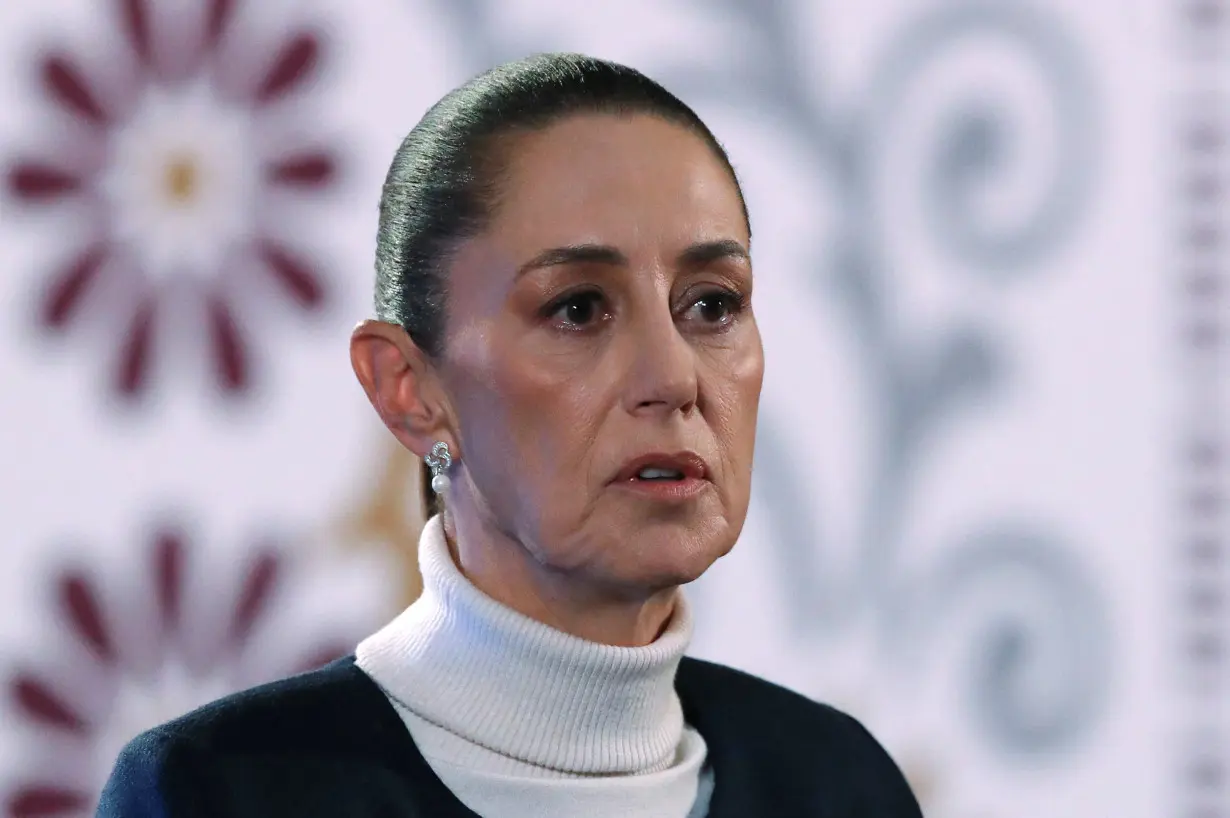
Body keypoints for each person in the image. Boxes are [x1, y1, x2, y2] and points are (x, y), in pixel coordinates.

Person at [96, 53, 923, 818]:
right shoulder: (215, 793)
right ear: (409, 390)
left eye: (713, 304)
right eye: (578, 309)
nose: (672, 379)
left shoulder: (839, 785)